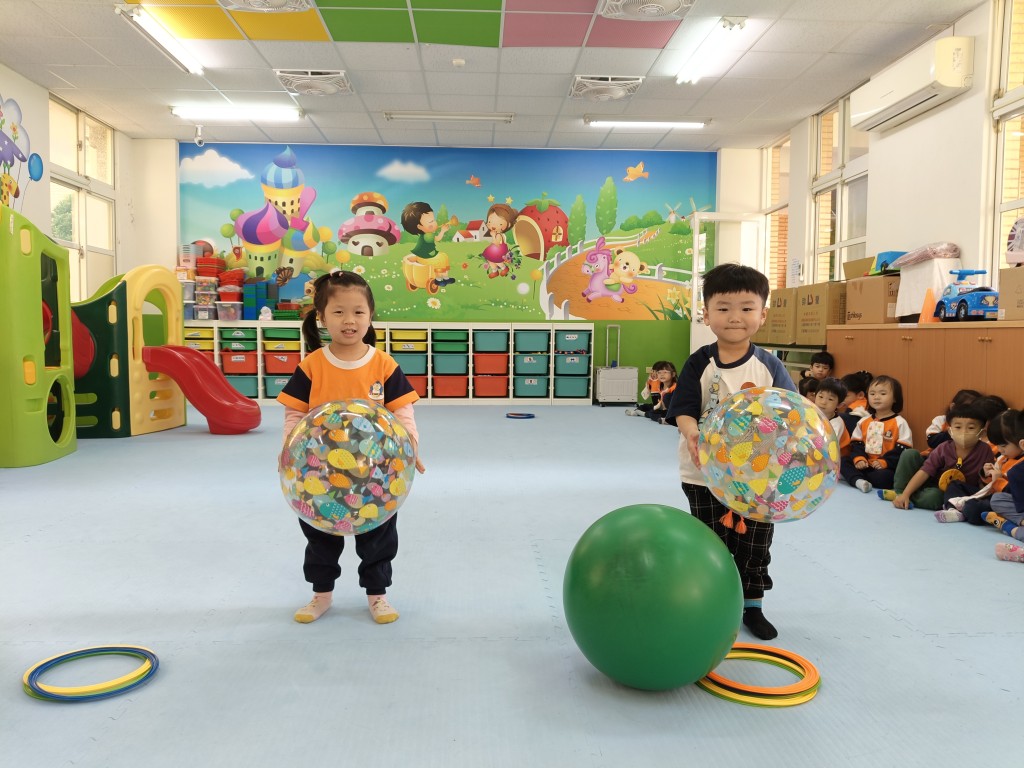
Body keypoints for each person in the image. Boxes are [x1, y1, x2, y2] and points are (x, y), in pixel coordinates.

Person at [277, 271, 426, 625]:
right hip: (318, 474)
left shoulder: (383, 364)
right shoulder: (312, 365)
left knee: (378, 537)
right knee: (319, 539)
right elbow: (295, 414)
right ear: (321, 317)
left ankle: (378, 596)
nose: (349, 320)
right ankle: (321, 595)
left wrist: (411, 447)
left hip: (375, 474)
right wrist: (287, 451)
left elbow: (402, 411)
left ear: (370, 315)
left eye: (358, 312)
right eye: (339, 312)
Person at [667, 263, 794, 641]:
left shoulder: (769, 366)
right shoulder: (699, 362)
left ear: (762, 314)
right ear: (706, 314)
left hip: (757, 477)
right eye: (723, 308)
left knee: (755, 542)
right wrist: (692, 434)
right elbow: (684, 410)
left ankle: (752, 605)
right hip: (703, 473)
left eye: (746, 308)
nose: (735, 317)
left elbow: (790, 413)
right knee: (711, 542)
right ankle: (715, 603)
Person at [936, 409, 1024, 542]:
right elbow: (987, 486)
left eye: (1003, 446)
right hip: (990, 493)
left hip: (1006, 499)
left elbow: (1016, 496)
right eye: (997, 446)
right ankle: (953, 510)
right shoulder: (1004, 457)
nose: (1000, 450)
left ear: (1021, 443)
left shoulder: (1020, 465)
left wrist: (998, 481)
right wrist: (986, 473)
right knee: (955, 485)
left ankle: (970, 512)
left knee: (976, 508)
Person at [881, 402, 989, 510]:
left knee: (934, 498)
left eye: (971, 428)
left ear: (982, 433)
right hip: (929, 481)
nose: (964, 432)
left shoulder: (985, 451)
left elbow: (986, 482)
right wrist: (905, 493)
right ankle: (900, 493)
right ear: (950, 431)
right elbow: (925, 472)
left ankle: (907, 498)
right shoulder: (944, 448)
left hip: (945, 492)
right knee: (909, 454)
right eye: (958, 427)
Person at [839, 375, 912, 493]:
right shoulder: (863, 421)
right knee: (843, 462)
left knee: (884, 478)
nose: (876, 397)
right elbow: (856, 445)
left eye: (883, 394)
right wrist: (859, 458)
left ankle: (855, 477)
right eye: (872, 394)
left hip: (886, 467)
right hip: (865, 464)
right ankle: (859, 481)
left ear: (895, 398)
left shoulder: (900, 423)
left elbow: (903, 449)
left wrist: (885, 462)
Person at [401, 201, 454, 286]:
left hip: (428, 255)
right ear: (419, 227)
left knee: (444, 256)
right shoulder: (428, 236)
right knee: (440, 260)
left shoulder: (427, 234)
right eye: (430, 222)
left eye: (434, 220)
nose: (435, 223)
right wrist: (443, 231)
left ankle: (445, 277)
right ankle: (438, 279)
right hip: (425, 258)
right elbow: (437, 239)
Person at [813, 377, 850, 456]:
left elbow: (829, 445)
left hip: (837, 457)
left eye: (830, 399)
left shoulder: (837, 423)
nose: (823, 402)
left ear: (839, 405)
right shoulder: (810, 414)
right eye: (821, 397)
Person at [482, 203, 518, 279]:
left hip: (499, 250)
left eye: (500, 223)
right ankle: (494, 271)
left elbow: (496, 243)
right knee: (490, 260)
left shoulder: (499, 235)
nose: (493, 225)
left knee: (497, 261)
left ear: (508, 225)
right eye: (489, 222)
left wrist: (493, 236)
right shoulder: (496, 233)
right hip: (493, 250)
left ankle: (504, 268)